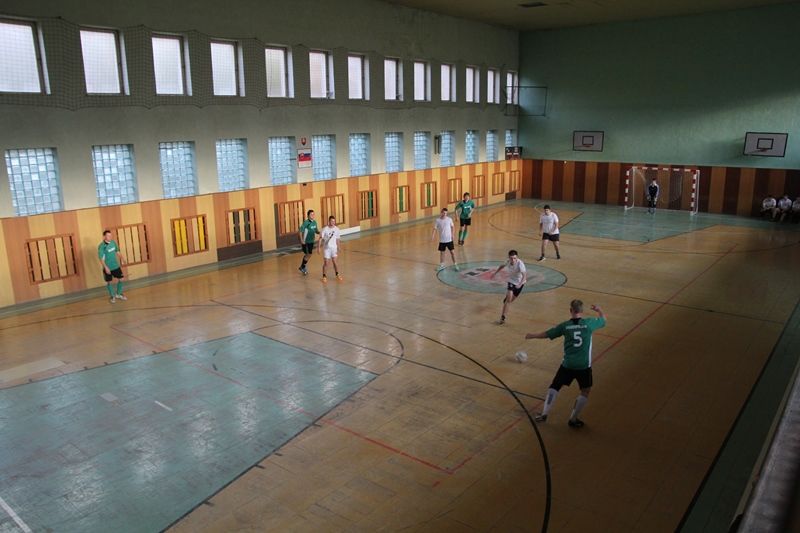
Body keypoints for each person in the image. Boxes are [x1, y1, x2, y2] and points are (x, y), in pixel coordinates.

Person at [525, 300, 605, 428]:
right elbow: (603, 320)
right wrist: (599, 310)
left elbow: (547, 334)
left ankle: (544, 414)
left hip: (567, 365)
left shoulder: (565, 326)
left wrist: (532, 335)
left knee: (555, 386)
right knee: (585, 390)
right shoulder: (589, 323)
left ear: (570, 310)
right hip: (584, 366)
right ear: (582, 311)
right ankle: (573, 419)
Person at [491, 250, 526, 325]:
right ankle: (502, 318)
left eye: (514, 258)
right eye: (511, 258)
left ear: (517, 258)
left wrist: (520, 284)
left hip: (520, 283)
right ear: (509, 258)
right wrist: (495, 273)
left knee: (510, 301)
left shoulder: (520, 264)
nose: (513, 260)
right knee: (508, 300)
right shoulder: (507, 261)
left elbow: (524, 276)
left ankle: (506, 300)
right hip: (511, 281)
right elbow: (502, 266)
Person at [98, 230, 127, 303]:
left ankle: (118, 294)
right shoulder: (102, 246)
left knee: (121, 279)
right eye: (108, 236)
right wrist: (106, 267)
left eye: (110, 235)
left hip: (115, 265)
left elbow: (117, 251)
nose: (110, 237)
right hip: (108, 267)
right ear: (104, 236)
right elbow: (101, 259)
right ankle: (112, 296)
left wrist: (122, 258)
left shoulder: (113, 243)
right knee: (109, 282)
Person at [432, 207, 458, 272]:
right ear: (441, 213)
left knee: (452, 252)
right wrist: (433, 236)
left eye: (446, 213)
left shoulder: (449, 219)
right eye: (443, 213)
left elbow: (453, 227)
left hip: (449, 240)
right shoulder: (437, 220)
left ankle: (455, 264)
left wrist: (453, 235)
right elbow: (434, 229)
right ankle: (442, 265)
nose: (444, 214)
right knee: (442, 253)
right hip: (442, 240)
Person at [319, 215, 342, 283]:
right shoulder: (325, 229)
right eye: (332, 221)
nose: (333, 222)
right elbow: (320, 238)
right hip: (327, 249)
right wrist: (319, 248)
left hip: (334, 248)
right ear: (329, 221)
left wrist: (339, 247)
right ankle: (324, 276)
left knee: (335, 262)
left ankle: (337, 274)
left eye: (334, 221)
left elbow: (337, 239)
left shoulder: (337, 229)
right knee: (326, 263)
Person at [298, 209, 319, 275]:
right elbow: (300, 231)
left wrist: (320, 232)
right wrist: (301, 240)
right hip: (306, 242)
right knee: (308, 254)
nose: (313, 215)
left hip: (311, 241)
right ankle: (303, 267)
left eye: (313, 214)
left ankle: (302, 266)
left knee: (309, 254)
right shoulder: (306, 223)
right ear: (308, 215)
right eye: (311, 214)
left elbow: (316, 230)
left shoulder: (314, 222)